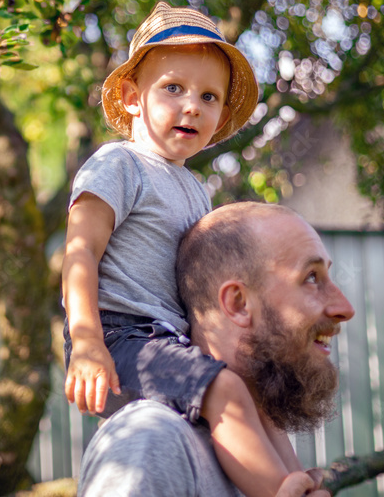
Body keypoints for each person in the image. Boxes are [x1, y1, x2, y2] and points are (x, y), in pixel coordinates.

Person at [61, 2, 291, 496]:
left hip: (175, 339)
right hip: (122, 339)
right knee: (224, 390)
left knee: (253, 385)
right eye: (173, 88)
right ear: (130, 97)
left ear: (222, 113)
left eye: (208, 96)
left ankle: (299, 479)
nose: (192, 105)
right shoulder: (118, 165)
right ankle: (279, 492)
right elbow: (79, 253)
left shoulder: (195, 190)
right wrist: (86, 344)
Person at [77, 202, 355, 497]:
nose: (345, 308)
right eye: (311, 277)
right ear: (238, 303)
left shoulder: (263, 444)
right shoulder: (153, 441)